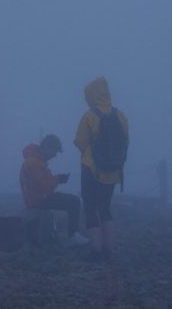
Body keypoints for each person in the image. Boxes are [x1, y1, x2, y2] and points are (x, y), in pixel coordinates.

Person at [74, 77, 129, 261]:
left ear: (91, 95)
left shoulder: (89, 115)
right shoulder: (120, 115)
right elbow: (126, 142)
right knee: (105, 207)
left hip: (91, 167)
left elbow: (81, 143)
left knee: (90, 207)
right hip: (113, 171)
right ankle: (108, 247)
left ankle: (95, 248)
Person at [19, 134, 89, 246]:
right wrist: (58, 179)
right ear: (48, 147)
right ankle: (72, 235)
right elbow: (43, 186)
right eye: (55, 152)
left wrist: (58, 179)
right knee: (74, 201)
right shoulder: (33, 162)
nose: (55, 155)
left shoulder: (37, 161)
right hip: (38, 200)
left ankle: (68, 233)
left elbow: (42, 183)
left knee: (71, 200)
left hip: (38, 198)